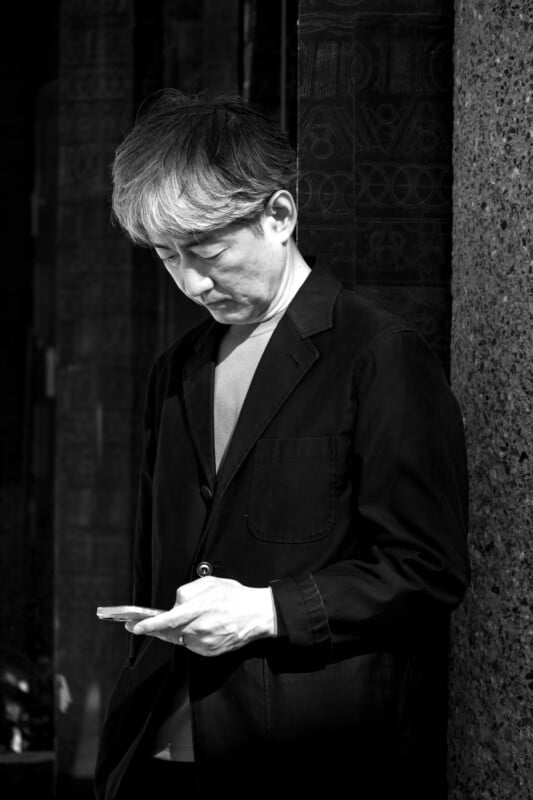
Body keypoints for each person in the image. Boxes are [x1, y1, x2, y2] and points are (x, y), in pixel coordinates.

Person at [94, 89, 470, 800]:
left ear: (278, 215)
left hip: (306, 759)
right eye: (166, 257)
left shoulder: (378, 354)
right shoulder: (175, 371)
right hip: (158, 748)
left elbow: (427, 568)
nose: (190, 281)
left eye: (205, 252)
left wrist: (265, 610)